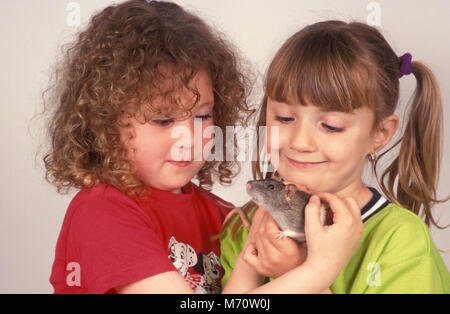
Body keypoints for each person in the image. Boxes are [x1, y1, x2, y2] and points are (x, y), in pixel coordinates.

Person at [220, 20, 450, 293]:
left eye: (331, 126)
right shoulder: (242, 226)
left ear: (380, 133)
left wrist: (305, 272)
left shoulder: (399, 240)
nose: (301, 142)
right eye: (283, 118)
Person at [44, 0, 253, 294]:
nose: (189, 139)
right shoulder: (100, 213)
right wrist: (315, 268)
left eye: (202, 116)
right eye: (163, 120)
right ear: (104, 122)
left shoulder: (224, 216)